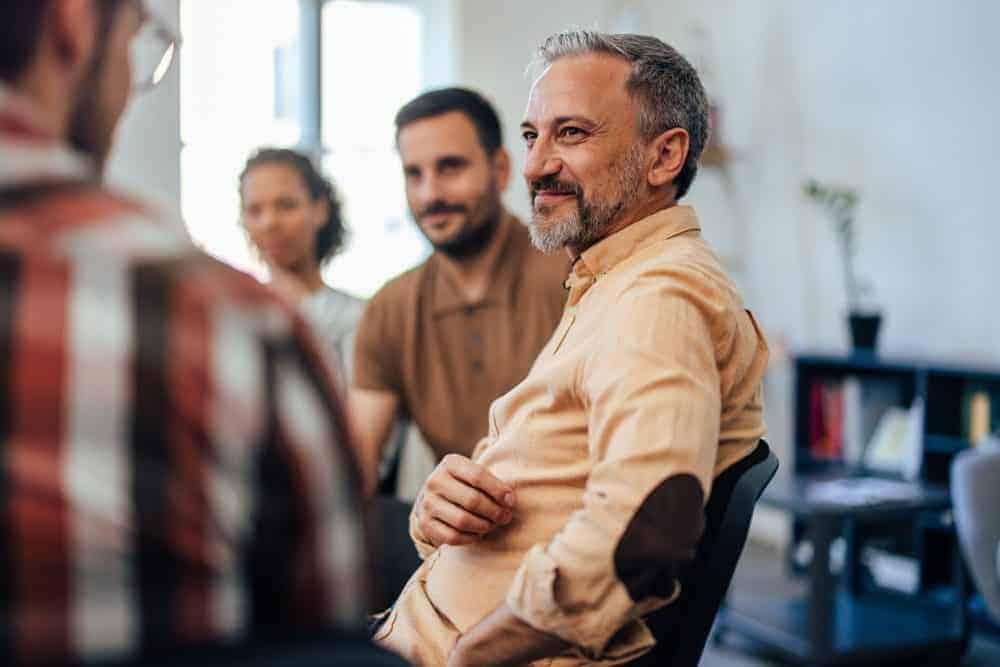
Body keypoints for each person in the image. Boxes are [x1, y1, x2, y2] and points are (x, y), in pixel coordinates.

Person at [375, 31, 770, 666]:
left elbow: (644, 534)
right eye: (533, 135)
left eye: (572, 134)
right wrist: (438, 508)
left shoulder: (658, 297)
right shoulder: (609, 281)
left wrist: (469, 655)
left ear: (664, 156)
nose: (534, 166)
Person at [0, 1, 369, 663]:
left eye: (286, 203)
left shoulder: (331, 316)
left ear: (320, 209)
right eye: (140, 39)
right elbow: (324, 633)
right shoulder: (226, 326)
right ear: (74, 22)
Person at [350, 87, 569, 495]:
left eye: (450, 167)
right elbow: (355, 464)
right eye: (414, 174)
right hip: (453, 538)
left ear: (500, 170)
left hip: (570, 529)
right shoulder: (389, 308)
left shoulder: (575, 277)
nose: (429, 194)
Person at [239, 147, 364, 380]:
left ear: (320, 210)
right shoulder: (235, 315)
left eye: (286, 205)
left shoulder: (359, 318)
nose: (269, 222)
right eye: (255, 210)